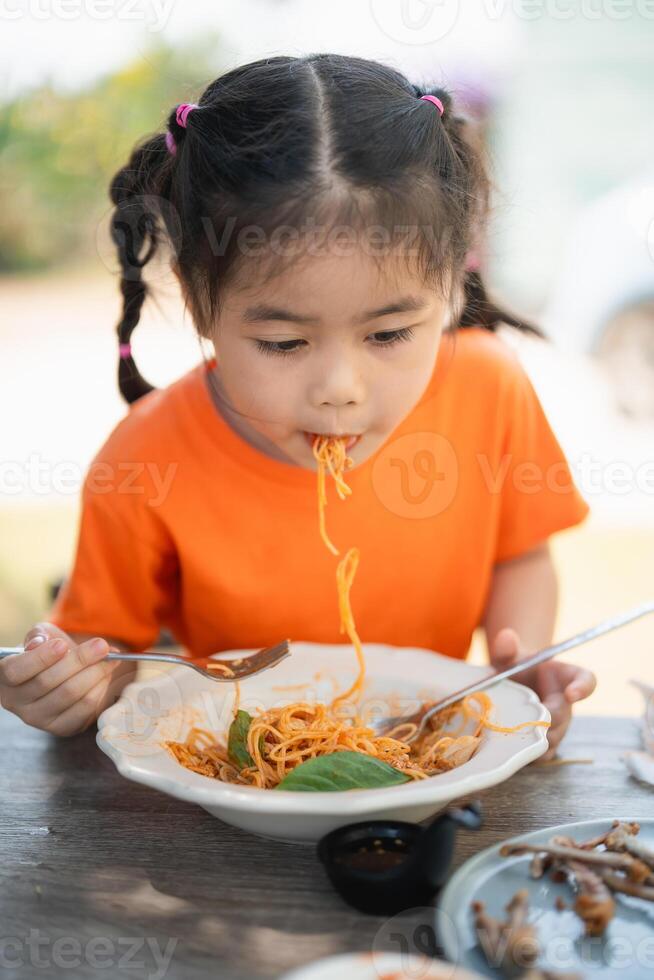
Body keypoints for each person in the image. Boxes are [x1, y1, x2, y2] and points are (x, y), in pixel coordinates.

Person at [0, 54, 595, 759]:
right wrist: (71, 687)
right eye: (283, 342)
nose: (339, 386)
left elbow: (519, 555)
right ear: (199, 305)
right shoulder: (146, 456)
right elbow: (113, 651)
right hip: (235, 770)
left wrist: (519, 668)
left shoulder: (490, 388)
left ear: (452, 291)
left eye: (389, 334)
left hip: (428, 760)